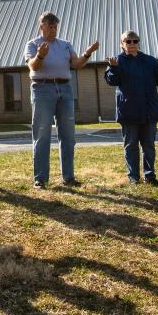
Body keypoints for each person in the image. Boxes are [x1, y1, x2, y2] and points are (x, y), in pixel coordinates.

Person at [24, 12, 99, 189]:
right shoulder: (33, 44)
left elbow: (76, 65)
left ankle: (69, 177)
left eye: (55, 26)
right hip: (42, 88)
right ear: (41, 26)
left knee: (68, 136)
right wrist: (40, 55)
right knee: (42, 135)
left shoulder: (65, 45)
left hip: (65, 89)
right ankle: (40, 179)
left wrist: (87, 53)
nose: (53, 29)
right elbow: (33, 66)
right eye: (49, 26)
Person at [104, 30, 158, 185]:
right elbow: (111, 81)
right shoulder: (116, 61)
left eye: (135, 41)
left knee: (149, 146)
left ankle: (150, 176)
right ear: (122, 44)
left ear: (139, 43)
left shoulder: (149, 60)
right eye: (128, 41)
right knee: (131, 145)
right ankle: (133, 176)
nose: (132, 44)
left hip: (149, 110)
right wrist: (113, 68)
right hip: (129, 110)